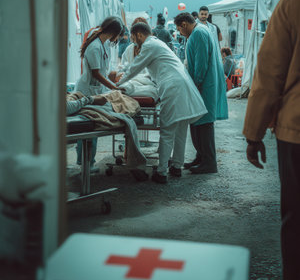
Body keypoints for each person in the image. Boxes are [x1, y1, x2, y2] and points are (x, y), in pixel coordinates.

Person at [243, 0, 300, 280]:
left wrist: (254, 134)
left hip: (297, 130)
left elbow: (269, 72)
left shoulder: (293, 2)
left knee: (297, 219)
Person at [117, 22, 207, 183]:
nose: (132, 41)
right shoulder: (159, 44)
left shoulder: (149, 45)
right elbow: (151, 72)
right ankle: (176, 167)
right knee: (180, 130)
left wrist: (117, 85)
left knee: (167, 131)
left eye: (132, 37)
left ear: (138, 34)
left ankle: (161, 172)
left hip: (174, 88)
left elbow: (134, 68)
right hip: (183, 85)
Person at [174, 12, 228, 174]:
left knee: (204, 123)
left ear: (184, 24)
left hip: (204, 85)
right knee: (197, 121)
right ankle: (201, 157)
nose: (180, 33)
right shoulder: (199, 32)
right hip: (202, 84)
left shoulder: (199, 33)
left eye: (179, 29)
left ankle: (210, 162)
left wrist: (195, 84)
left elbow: (201, 62)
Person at [74, 16, 124, 169]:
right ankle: (85, 163)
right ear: (114, 32)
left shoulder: (103, 43)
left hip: (96, 89)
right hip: (87, 90)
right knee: (89, 126)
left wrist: (114, 81)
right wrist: (113, 87)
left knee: (93, 126)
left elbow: (104, 70)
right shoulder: (95, 46)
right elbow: (96, 73)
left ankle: (88, 162)